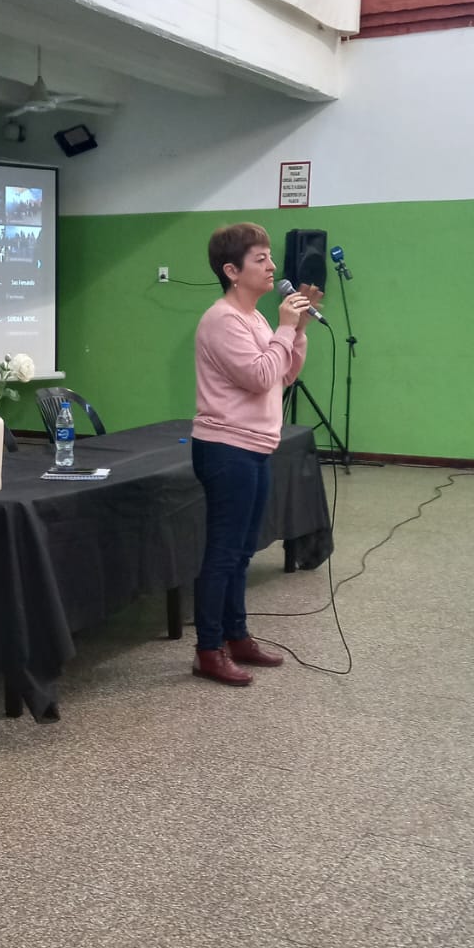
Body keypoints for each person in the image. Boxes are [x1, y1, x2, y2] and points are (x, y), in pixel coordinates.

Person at [190, 222, 321, 686]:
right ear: (231, 271)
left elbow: (284, 374)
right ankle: (208, 649)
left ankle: (236, 635)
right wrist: (285, 327)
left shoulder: (257, 319)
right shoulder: (222, 319)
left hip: (255, 446)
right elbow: (260, 376)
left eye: (270, 258)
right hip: (226, 448)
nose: (272, 267)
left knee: (243, 551)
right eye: (260, 259)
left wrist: (296, 331)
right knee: (224, 552)